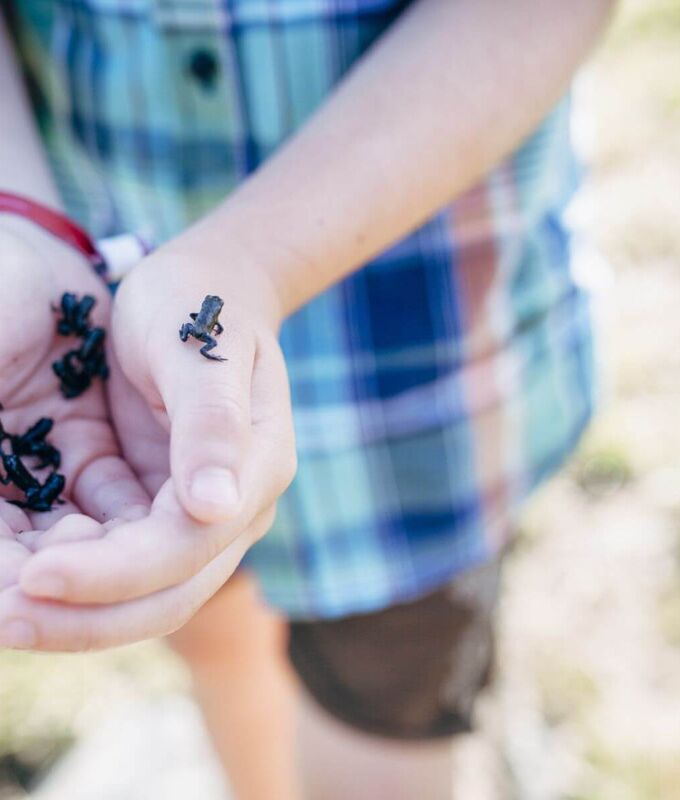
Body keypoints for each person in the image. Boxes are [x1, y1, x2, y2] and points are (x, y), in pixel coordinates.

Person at [0, 1, 615, 798]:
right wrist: (20, 219)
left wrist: (249, 259)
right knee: (209, 623)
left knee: (389, 703)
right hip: (127, 376)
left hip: (421, 381)